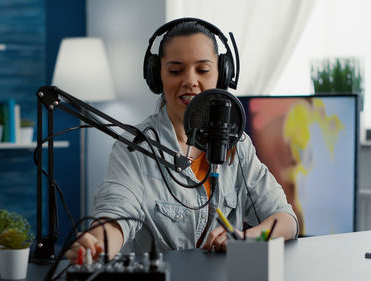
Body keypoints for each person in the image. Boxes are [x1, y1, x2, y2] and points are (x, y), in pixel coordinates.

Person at [65, 18, 298, 263]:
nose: (189, 80)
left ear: (223, 74)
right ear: (157, 76)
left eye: (203, 70)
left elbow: (285, 220)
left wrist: (244, 239)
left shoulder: (238, 144)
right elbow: (116, 215)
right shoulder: (133, 148)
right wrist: (98, 242)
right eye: (175, 70)